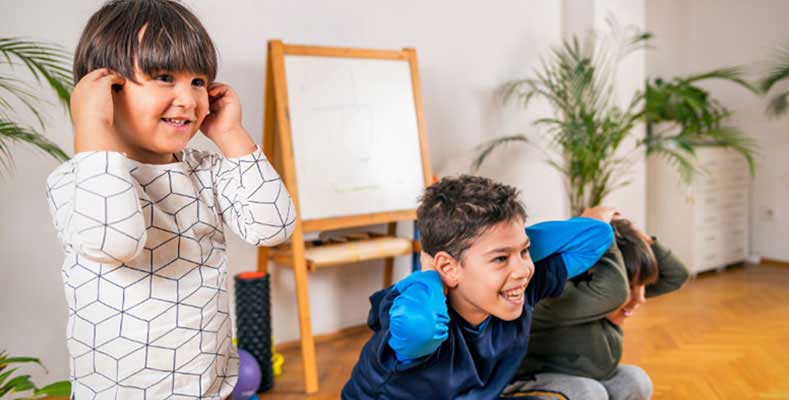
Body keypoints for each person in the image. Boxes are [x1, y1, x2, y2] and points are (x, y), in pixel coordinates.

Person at [45, 1, 295, 398]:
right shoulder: (80, 177)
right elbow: (116, 240)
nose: (189, 99)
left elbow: (274, 228)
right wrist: (94, 129)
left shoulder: (204, 169)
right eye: (165, 77)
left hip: (209, 385)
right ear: (106, 88)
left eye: (198, 81)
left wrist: (232, 135)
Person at [342, 175, 615, 399]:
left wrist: (511, 241)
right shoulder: (417, 313)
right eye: (499, 258)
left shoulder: (518, 286)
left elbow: (596, 237)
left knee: (618, 386)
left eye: (525, 252)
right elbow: (419, 325)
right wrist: (431, 272)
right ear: (448, 268)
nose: (522, 270)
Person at [505, 217, 690, 400]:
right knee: (589, 392)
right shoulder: (559, 300)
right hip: (531, 384)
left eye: (642, 286)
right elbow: (615, 291)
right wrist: (603, 230)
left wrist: (641, 237)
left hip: (588, 378)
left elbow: (677, 275)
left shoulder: (606, 302)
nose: (640, 298)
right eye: (630, 286)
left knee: (634, 380)